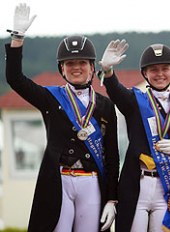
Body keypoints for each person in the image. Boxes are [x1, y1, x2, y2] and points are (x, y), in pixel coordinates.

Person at [5, 3, 119, 232]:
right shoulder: (50, 98)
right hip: (60, 182)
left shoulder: (105, 105)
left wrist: (112, 199)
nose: (76, 68)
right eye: (70, 64)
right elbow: (15, 79)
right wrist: (18, 39)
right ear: (62, 69)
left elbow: (112, 155)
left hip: (91, 182)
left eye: (81, 63)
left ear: (90, 68)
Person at [97, 40, 170, 231]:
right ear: (145, 74)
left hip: (166, 187)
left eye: (165, 68)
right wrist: (107, 70)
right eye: (153, 69)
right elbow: (115, 91)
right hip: (136, 184)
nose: (160, 74)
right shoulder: (134, 101)